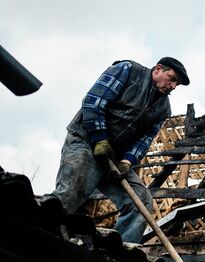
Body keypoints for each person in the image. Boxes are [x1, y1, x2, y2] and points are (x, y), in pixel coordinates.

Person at [49, 57, 189, 243]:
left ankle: (120, 251)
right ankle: (38, 226)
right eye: (172, 79)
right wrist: (100, 139)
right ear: (158, 69)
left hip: (113, 157)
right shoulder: (128, 71)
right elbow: (94, 102)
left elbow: (143, 140)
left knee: (140, 201)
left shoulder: (163, 108)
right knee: (72, 192)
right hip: (85, 142)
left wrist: (127, 162)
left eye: (177, 84)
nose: (173, 86)